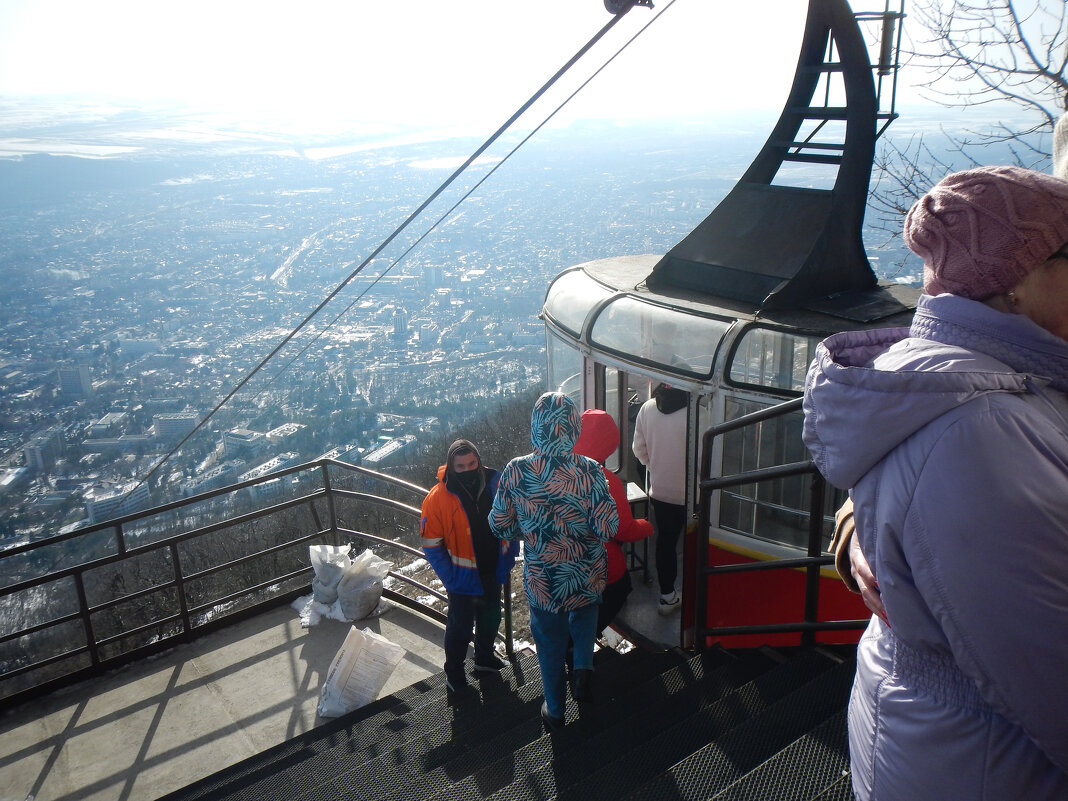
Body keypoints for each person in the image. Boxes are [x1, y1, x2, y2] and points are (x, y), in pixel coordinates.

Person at [803, 164, 1068, 800]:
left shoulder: (980, 388)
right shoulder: (980, 431)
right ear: (1012, 286)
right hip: (983, 764)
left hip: (948, 744)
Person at [489, 392, 618, 730]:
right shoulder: (590, 470)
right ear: (574, 427)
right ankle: (583, 666)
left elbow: (498, 523)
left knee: (548, 643)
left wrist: (531, 531)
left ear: (536, 427)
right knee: (585, 613)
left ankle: (556, 711)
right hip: (585, 572)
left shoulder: (516, 471)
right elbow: (609, 527)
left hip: (544, 579)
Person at [420, 438, 518, 694]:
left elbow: (512, 516)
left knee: (491, 617)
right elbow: (431, 544)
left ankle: (484, 659)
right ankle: (454, 674)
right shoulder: (437, 498)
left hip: (493, 569)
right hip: (462, 578)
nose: (467, 470)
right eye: (461, 466)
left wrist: (510, 553)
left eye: (472, 463)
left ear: (479, 461)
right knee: (460, 628)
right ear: (451, 466)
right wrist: (450, 578)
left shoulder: (495, 483)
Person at [572, 408, 654, 634]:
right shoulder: (606, 480)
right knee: (620, 589)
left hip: (560, 561)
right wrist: (646, 525)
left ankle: (571, 647)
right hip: (599, 562)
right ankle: (585, 637)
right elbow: (622, 530)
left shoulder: (555, 469)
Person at [631, 383, 688, 614]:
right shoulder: (698, 414)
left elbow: (638, 450)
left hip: (661, 491)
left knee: (665, 543)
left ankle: (667, 596)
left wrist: (655, 467)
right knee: (696, 542)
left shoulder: (646, 409)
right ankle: (698, 594)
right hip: (692, 493)